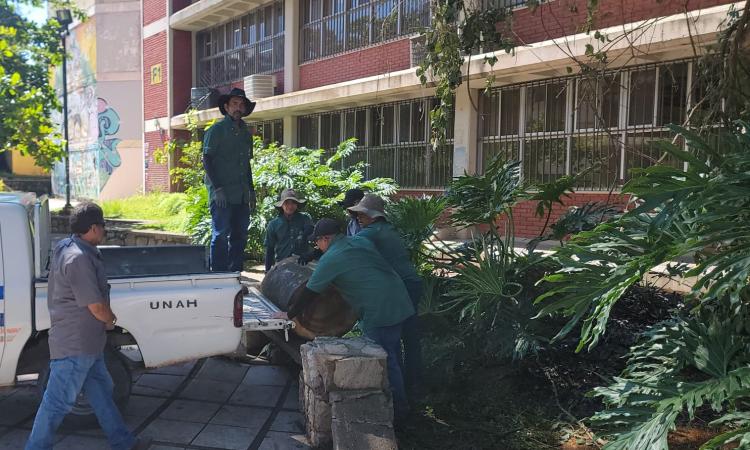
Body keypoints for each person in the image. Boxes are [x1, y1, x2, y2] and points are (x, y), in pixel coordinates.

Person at [26, 203, 148, 450]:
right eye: (102, 227)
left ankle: (124, 443)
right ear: (93, 228)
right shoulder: (78, 258)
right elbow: (95, 306)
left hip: (88, 345)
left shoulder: (67, 246)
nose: (104, 231)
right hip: (76, 347)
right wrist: (111, 320)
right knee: (56, 403)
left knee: (102, 395)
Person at [274, 218, 414, 421]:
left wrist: (288, 314)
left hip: (379, 310)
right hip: (400, 298)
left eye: (317, 242)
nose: (316, 246)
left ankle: (398, 413)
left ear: (325, 239)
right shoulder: (358, 241)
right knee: (393, 354)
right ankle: (404, 399)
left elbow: (309, 292)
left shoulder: (332, 258)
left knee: (385, 362)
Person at [347, 194, 424, 399]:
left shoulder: (373, 233)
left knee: (398, 337)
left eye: (363, 214)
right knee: (405, 337)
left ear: (374, 216)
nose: (359, 218)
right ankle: (411, 386)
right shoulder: (386, 230)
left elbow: (345, 249)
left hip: (404, 287)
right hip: (409, 284)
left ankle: (405, 391)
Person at [203, 87, 257, 272]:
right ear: (226, 107)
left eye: (241, 105)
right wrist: (217, 188)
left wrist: (251, 191)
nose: (238, 108)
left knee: (240, 235)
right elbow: (207, 159)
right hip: (222, 194)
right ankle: (217, 276)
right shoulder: (216, 131)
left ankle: (235, 275)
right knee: (220, 234)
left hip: (241, 194)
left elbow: (246, 165)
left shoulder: (246, 134)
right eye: (234, 103)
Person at [264, 188, 314, 272]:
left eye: (293, 203)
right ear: (282, 205)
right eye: (287, 203)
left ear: (297, 204)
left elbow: (311, 233)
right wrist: (267, 270)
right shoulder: (273, 224)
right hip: (281, 264)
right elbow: (269, 249)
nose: (290, 206)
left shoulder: (305, 219)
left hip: (302, 263)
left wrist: (306, 233)